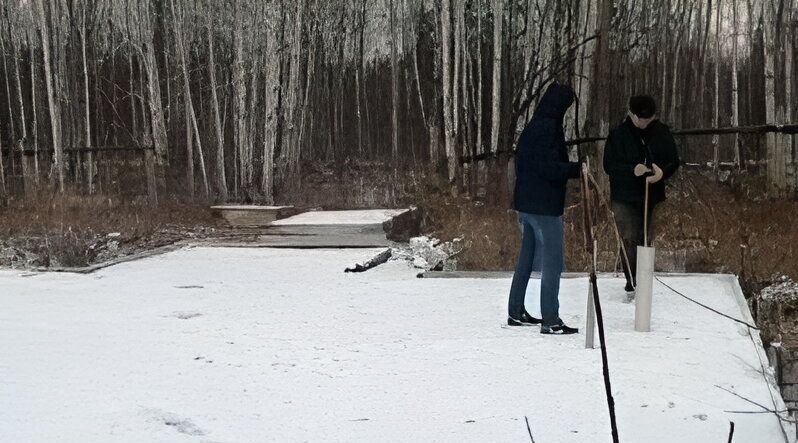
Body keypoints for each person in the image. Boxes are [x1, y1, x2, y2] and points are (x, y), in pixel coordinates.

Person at [507, 83, 582, 335]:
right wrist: (577, 169)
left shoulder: (532, 126)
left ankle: (515, 311)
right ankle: (550, 319)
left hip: (525, 204)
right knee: (552, 262)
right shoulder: (550, 130)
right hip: (545, 207)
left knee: (526, 259)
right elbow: (549, 168)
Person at [603, 95, 680, 295]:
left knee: (645, 237)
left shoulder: (661, 132)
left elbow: (673, 159)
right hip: (624, 196)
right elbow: (609, 165)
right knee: (628, 236)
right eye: (642, 119)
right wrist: (631, 170)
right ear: (632, 114)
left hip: (651, 195)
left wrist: (662, 172)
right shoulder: (618, 135)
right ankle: (631, 281)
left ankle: (643, 279)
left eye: (650, 119)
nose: (646, 123)